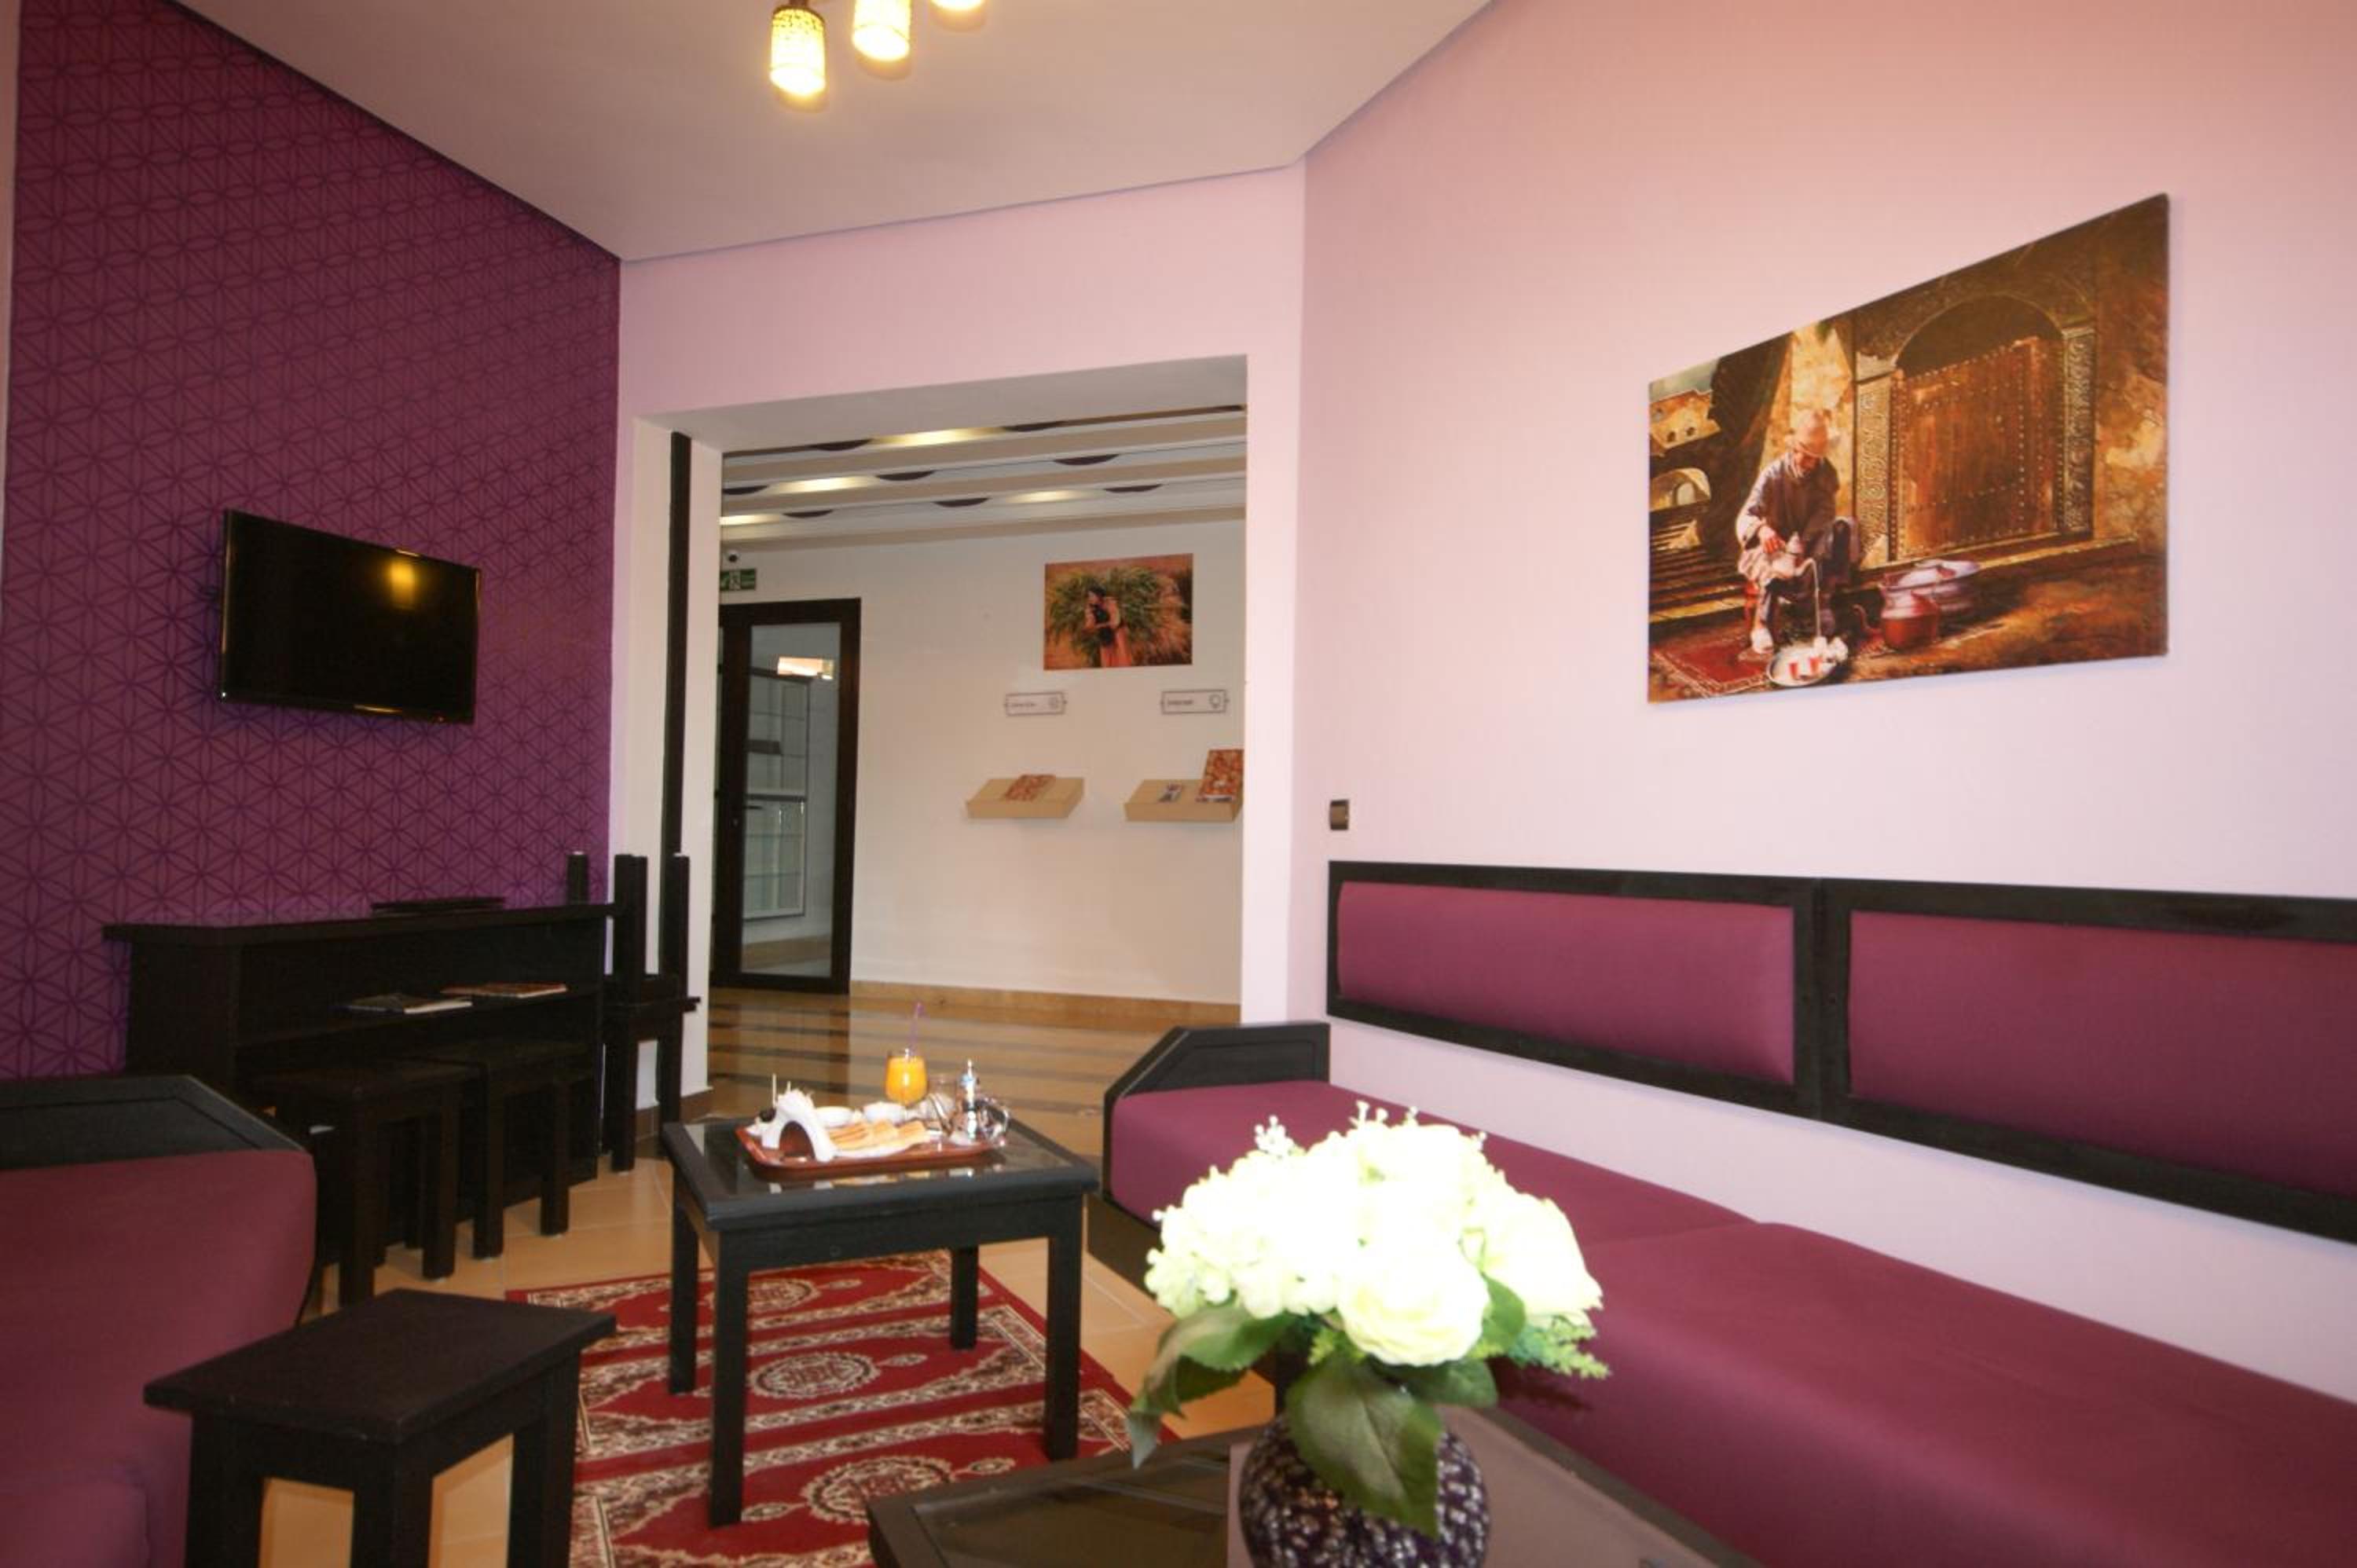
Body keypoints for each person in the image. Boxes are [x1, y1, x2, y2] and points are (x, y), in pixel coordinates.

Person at [1735, 408, 1855, 656]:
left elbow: (1824, 512)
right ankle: (1761, 624)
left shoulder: (1825, 472)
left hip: (1808, 541)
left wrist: (1805, 540)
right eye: (1806, 457)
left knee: (1842, 528)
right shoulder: (1773, 475)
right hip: (1776, 545)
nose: (1810, 464)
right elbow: (1747, 515)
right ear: (1793, 450)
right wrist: (1762, 530)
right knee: (1768, 555)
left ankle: (1822, 605)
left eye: (1815, 459)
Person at [1087, 585, 1131, 668]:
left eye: (1092, 596)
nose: (1090, 598)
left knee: (1121, 657)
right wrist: (1091, 626)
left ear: (1099, 596)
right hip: (1104, 635)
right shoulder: (1091, 608)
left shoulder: (1110, 604)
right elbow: (1090, 624)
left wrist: (1101, 625)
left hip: (1117, 633)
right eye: (1089, 596)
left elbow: (1115, 622)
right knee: (1106, 660)